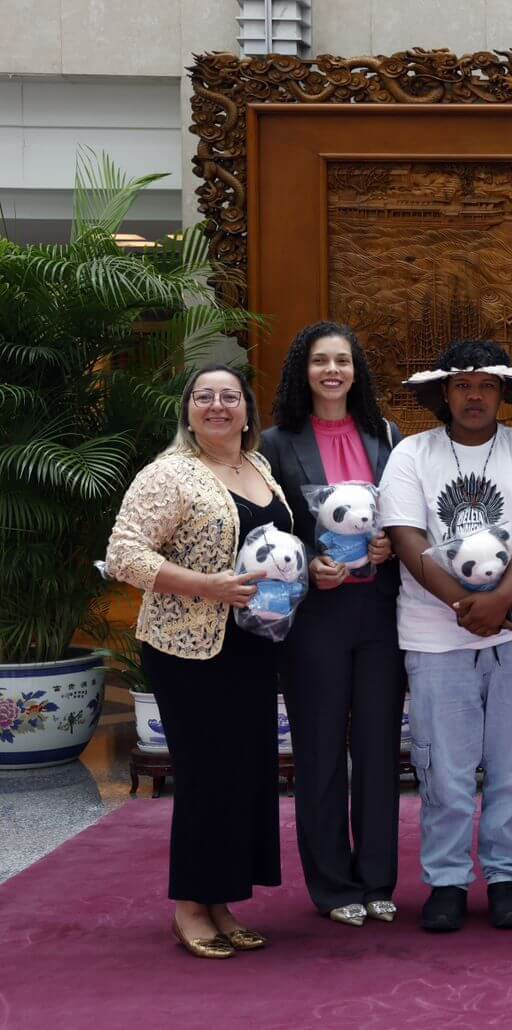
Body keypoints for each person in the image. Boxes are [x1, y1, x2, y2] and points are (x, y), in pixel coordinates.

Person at [378, 340, 512, 933]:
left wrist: (501, 601)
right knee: (444, 768)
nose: (475, 394)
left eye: (485, 384)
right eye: (462, 385)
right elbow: (406, 537)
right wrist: (463, 603)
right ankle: (447, 880)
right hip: (436, 636)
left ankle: (506, 876)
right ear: (443, 394)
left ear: (503, 393)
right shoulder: (412, 454)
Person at [106, 365, 288, 959]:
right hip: (188, 649)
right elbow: (125, 555)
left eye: (229, 397)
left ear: (246, 410)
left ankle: (223, 899)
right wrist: (205, 586)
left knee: (245, 775)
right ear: (188, 410)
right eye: (204, 397)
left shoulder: (258, 468)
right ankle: (191, 904)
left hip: (253, 646)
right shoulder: (169, 474)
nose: (217, 406)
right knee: (207, 776)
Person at [259, 321, 404, 928]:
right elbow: (263, 528)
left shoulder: (386, 436)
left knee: (377, 748)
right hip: (315, 615)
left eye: (342, 360)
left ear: (356, 370)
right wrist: (305, 563)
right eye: (320, 360)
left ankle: (376, 879)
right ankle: (332, 885)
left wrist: (389, 546)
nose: (332, 371)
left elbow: (404, 516)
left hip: (379, 614)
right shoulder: (274, 442)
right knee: (320, 751)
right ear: (303, 369)